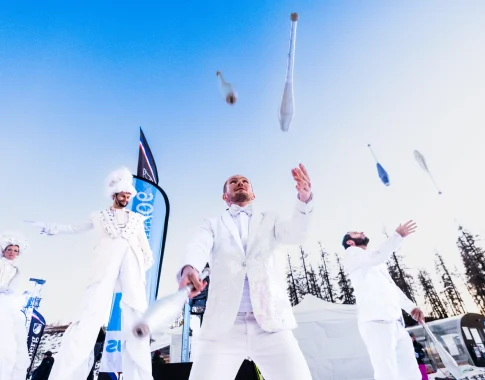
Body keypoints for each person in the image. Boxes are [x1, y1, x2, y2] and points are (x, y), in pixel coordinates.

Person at [178, 163, 314, 380]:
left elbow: (296, 234)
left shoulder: (271, 219)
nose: (239, 183)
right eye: (233, 181)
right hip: (223, 327)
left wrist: (304, 199)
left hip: (271, 323)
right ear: (225, 196)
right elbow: (198, 245)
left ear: (253, 193)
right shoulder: (213, 223)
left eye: (244, 181)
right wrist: (190, 266)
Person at [27, 167, 154, 380]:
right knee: (91, 311)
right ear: (114, 195)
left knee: (136, 313)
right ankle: (68, 373)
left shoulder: (137, 219)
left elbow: (146, 249)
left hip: (132, 264)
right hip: (105, 264)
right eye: (123, 194)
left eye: (129, 195)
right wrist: (51, 228)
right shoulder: (99, 216)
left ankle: (139, 375)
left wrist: (141, 266)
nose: (126, 198)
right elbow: (75, 228)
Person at [341, 221, 424, 380]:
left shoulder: (373, 262)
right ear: (350, 242)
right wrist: (397, 236)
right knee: (387, 371)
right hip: (376, 322)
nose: (362, 231)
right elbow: (377, 256)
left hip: (395, 322)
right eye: (356, 233)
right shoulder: (351, 253)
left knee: (410, 370)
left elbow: (390, 286)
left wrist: (411, 307)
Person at [0, 231, 30, 380]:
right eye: (10, 250)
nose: (12, 253)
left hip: (7, 301)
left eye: (16, 251)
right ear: (3, 251)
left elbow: (13, 287)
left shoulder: (17, 269)